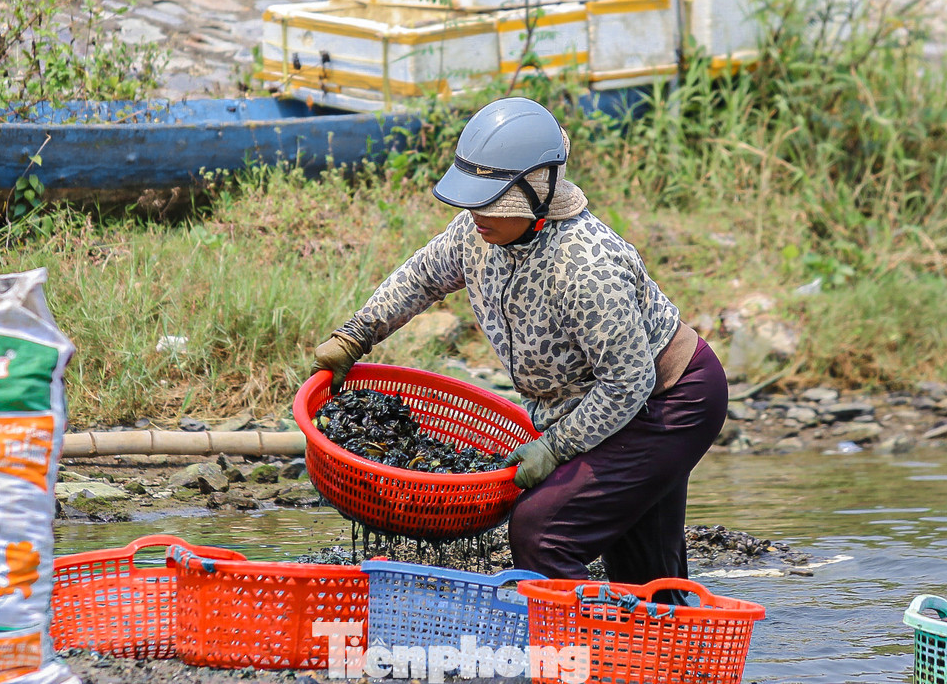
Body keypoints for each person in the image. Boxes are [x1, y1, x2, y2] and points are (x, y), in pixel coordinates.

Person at [311, 97, 728, 588]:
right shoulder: (476, 235)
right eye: (472, 199)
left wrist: (554, 448)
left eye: (490, 202)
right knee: (644, 570)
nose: (475, 213)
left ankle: (571, 656)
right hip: (603, 402)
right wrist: (356, 336)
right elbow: (421, 277)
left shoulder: (584, 267)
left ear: (538, 196)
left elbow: (628, 382)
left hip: (668, 402)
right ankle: (654, 652)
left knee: (543, 530)